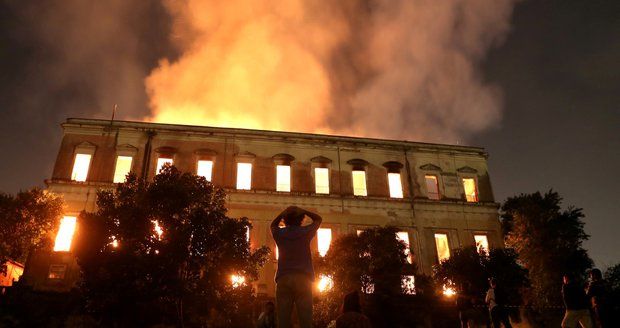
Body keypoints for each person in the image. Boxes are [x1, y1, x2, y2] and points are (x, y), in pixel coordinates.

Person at [271, 206, 322, 328]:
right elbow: (318, 219)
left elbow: (273, 225)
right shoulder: (305, 232)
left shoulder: (279, 233)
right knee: (305, 320)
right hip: (303, 278)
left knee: (283, 320)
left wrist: (282, 213)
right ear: (301, 220)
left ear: (285, 220)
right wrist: (303, 210)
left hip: (283, 278)